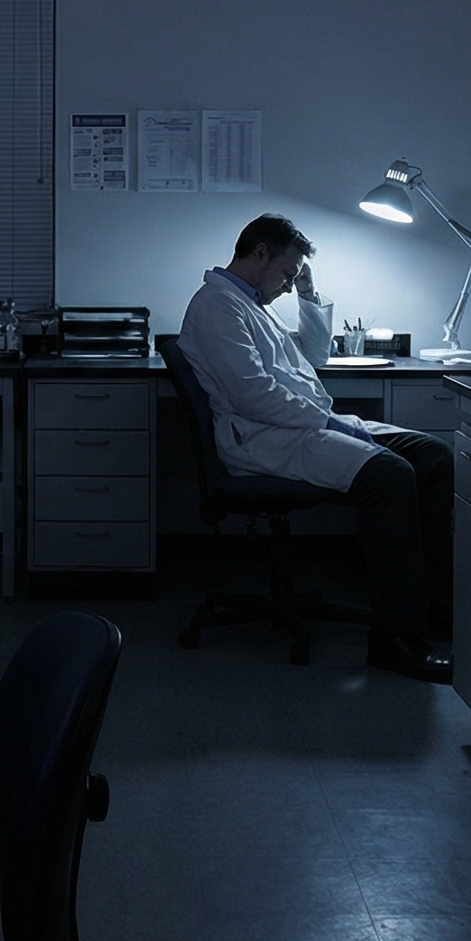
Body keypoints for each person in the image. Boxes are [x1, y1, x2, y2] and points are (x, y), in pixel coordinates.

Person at [176, 214, 453, 682]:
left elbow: (314, 357)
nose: (288, 284)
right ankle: (394, 640)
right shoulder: (217, 306)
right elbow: (253, 395)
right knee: (390, 477)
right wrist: (330, 422)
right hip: (262, 439)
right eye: (288, 272)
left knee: (432, 456)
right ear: (259, 253)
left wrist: (306, 292)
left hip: (297, 425)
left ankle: (434, 611)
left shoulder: (251, 302)